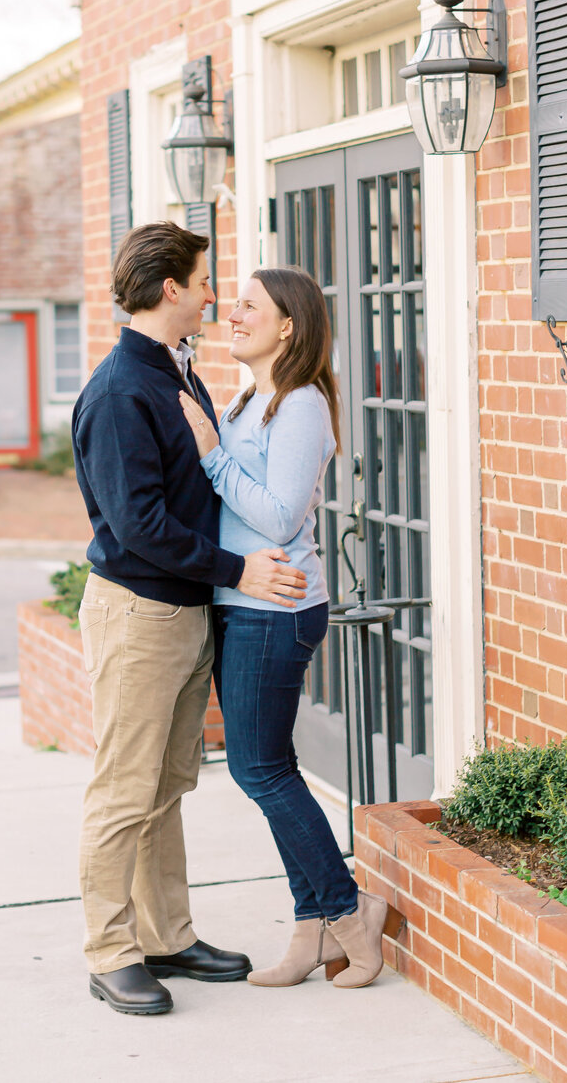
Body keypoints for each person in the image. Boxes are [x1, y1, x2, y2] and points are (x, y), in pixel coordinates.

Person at [71, 222, 308, 1018]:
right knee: (123, 791)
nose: (215, 295)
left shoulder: (177, 370)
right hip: (138, 614)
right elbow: (138, 524)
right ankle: (111, 952)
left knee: (167, 785)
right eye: (207, 282)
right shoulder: (119, 390)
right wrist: (238, 569)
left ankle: (167, 934)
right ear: (171, 288)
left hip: (181, 613)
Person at [178, 266, 389, 990]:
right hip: (243, 602)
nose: (231, 314)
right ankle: (310, 931)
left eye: (248, 307)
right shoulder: (250, 399)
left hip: (279, 609)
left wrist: (208, 452)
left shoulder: (299, 406)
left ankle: (349, 909)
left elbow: (278, 516)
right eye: (232, 303)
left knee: (259, 768)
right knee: (264, 767)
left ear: (288, 326)